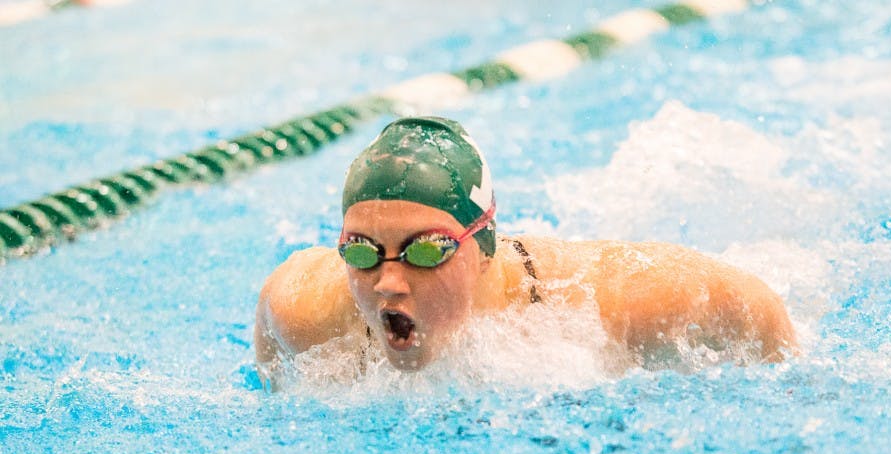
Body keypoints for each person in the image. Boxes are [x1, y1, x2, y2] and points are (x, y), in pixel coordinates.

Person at [255, 116, 795, 383]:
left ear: (483, 247)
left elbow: (751, 302)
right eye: (362, 252)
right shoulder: (306, 308)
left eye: (425, 251)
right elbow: (270, 359)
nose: (388, 282)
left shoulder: (601, 299)